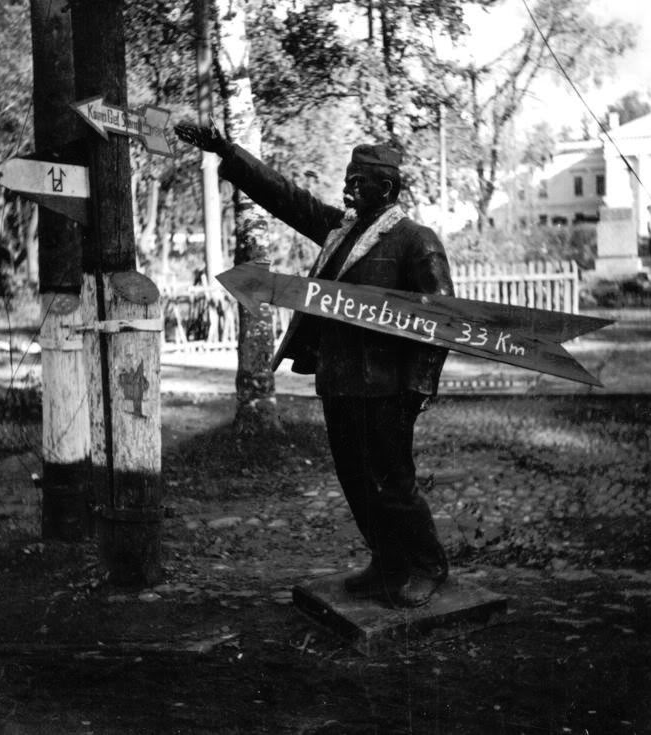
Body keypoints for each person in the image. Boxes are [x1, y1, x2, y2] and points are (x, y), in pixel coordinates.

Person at [174, 121, 453, 607]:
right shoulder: (339, 232)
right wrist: (224, 149)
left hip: (388, 389)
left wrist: (419, 387)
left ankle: (428, 565)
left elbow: (443, 320)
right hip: (339, 381)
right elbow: (284, 197)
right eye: (348, 179)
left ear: (387, 189)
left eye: (358, 182)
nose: (348, 189)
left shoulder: (416, 241)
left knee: (393, 481)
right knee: (355, 480)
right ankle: (388, 561)